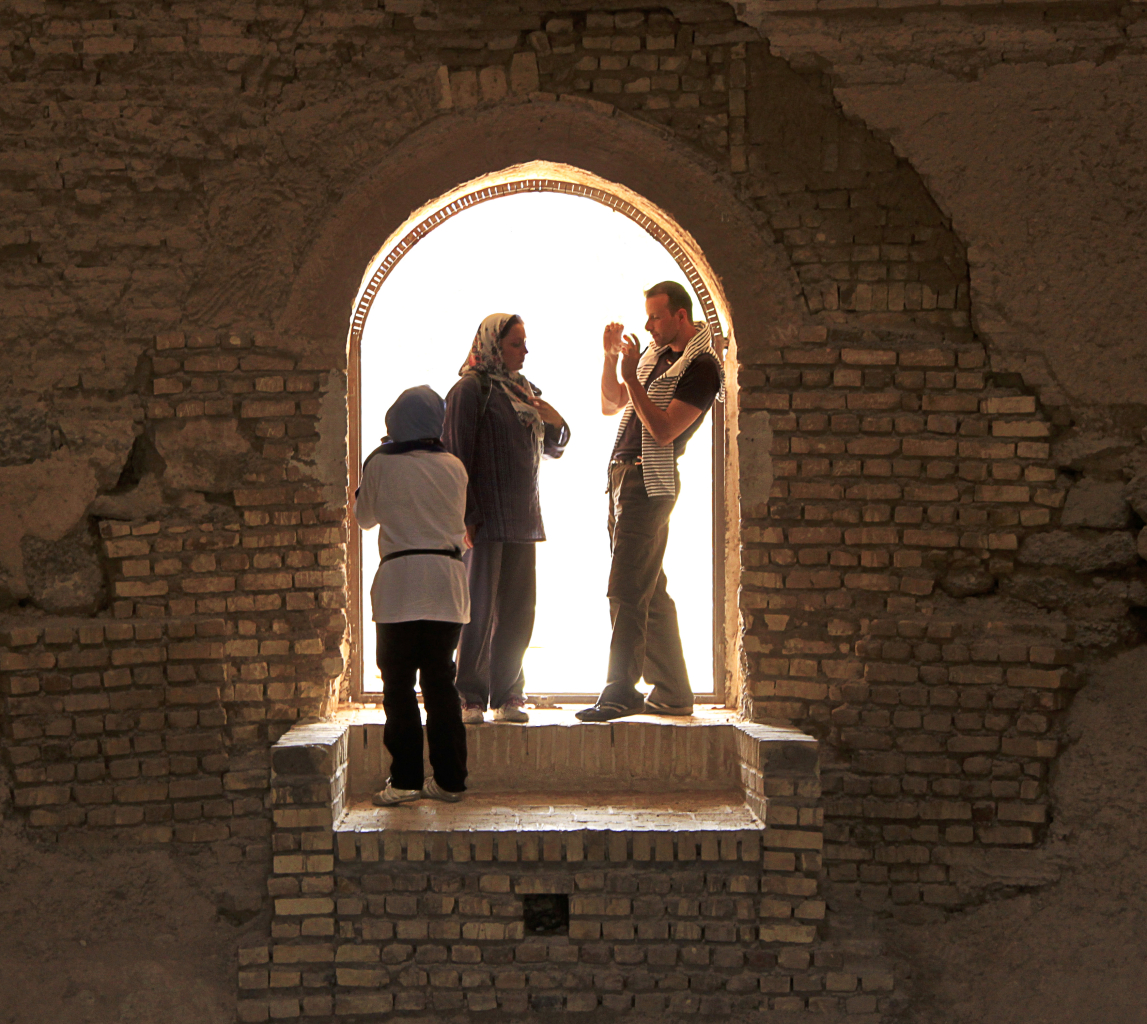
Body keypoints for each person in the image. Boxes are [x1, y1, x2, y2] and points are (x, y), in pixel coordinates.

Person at [576, 281, 724, 723]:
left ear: (681, 316)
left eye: (656, 317)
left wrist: (629, 378)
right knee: (648, 589)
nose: (648, 326)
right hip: (622, 478)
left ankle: (621, 689)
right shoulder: (653, 356)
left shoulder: (702, 367)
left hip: (650, 482)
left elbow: (663, 431)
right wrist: (611, 361)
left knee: (625, 586)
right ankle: (674, 692)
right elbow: (611, 405)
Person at [444, 313, 570, 724]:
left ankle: (509, 694)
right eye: (516, 343)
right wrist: (466, 514)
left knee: (518, 611)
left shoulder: (524, 391)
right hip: (483, 521)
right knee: (477, 609)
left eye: (524, 342)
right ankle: (469, 695)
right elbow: (457, 454)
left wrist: (557, 423)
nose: (525, 351)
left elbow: (551, 449)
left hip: (522, 518)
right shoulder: (470, 390)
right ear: (493, 347)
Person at [354, 386, 470, 805]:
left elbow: (364, 518)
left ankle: (405, 781)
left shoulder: (380, 463)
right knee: (441, 684)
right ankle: (450, 781)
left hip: (399, 586)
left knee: (398, 687)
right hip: (445, 583)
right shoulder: (454, 465)